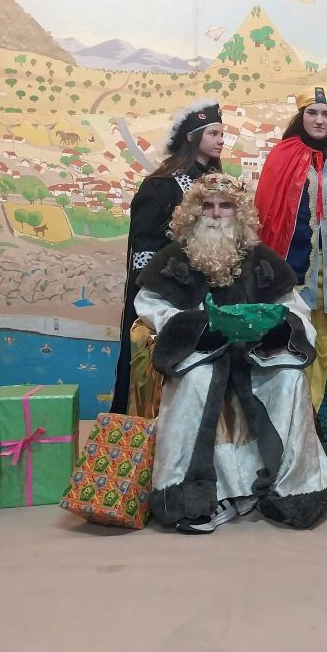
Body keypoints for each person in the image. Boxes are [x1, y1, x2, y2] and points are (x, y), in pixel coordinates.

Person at [135, 173, 327, 533]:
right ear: (193, 213)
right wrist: (199, 326)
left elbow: (295, 310)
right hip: (199, 353)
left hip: (254, 353)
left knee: (288, 379)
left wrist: (274, 324)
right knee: (198, 382)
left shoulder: (262, 260)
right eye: (207, 206)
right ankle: (195, 495)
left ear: (238, 213)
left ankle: (290, 490)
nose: (215, 214)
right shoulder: (172, 259)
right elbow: (151, 308)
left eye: (225, 206)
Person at [254, 88, 327, 443]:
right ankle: (295, 429)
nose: (319, 120)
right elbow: (268, 213)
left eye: (326, 114)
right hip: (295, 270)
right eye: (312, 113)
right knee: (298, 337)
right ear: (301, 116)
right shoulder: (282, 156)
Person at [111, 99, 224, 415]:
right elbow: (144, 248)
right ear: (192, 137)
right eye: (213, 133)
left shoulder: (217, 184)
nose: (221, 140)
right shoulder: (160, 186)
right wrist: (157, 289)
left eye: (221, 133)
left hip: (208, 290)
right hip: (165, 292)